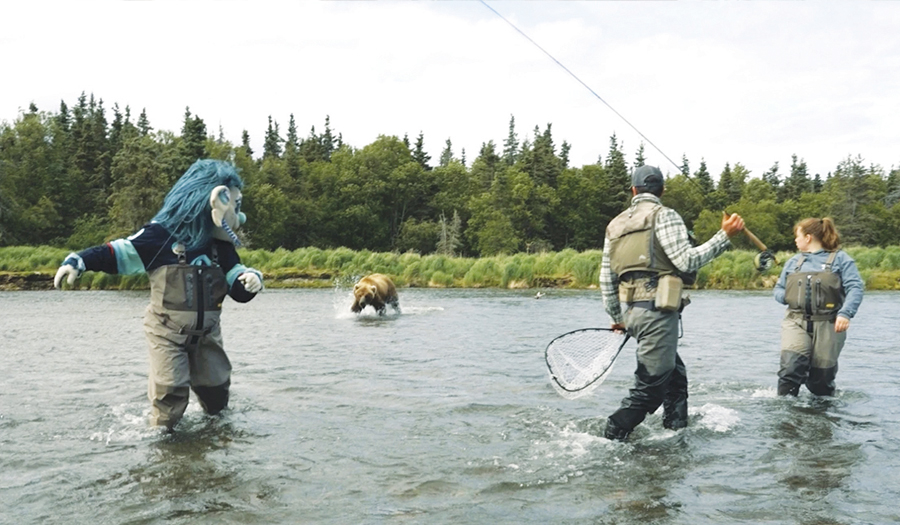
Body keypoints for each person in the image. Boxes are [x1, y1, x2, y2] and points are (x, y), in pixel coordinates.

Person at [54, 159, 265, 431]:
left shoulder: (220, 246)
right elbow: (119, 253)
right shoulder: (160, 236)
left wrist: (248, 280)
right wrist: (79, 261)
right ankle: (162, 440)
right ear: (214, 199)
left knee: (216, 390)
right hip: (166, 332)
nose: (240, 216)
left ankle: (217, 435)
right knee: (171, 391)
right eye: (235, 206)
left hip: (208, 334)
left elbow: (237, 284)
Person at [599, 165, 745, 441]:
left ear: (633, 191)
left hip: (632, 313)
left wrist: (617, 316)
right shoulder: (665, 215)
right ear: (662, 190)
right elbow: (686, 261)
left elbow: (606, 278)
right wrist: (723, 236)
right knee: (651, 387)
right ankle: (612, 434)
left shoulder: (614, 225)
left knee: (675, 377)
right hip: (656, 314)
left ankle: (675, 433)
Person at [772, 217, 863, 397]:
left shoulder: (842, 259)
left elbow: (856, 288)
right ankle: (784, 415)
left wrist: (845, 314)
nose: (795, 240)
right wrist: (788, 297)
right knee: (790, 369)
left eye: (797, 236)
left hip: (829, 323)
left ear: (808, 237)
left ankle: (820, 416)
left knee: (820, 381)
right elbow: (778, 289)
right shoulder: (793, 262)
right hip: (795, 321)